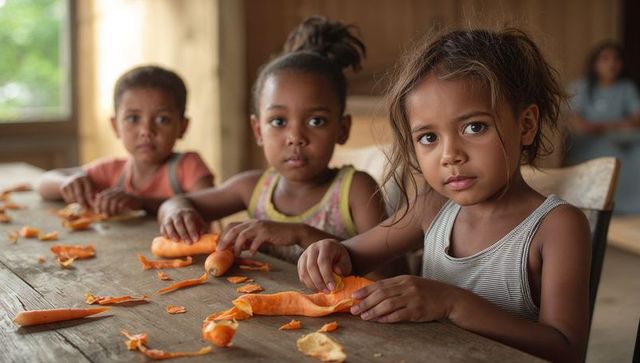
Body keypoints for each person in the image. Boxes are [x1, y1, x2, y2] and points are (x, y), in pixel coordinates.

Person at [297, 29, 592, 362]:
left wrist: (453, 304)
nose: (449, 155)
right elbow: (351, 257)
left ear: (526, 125)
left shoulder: (556, 227)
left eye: (474, 127)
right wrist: (328, 251)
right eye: (428, 138)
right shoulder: (432, 205)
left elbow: (567, 349)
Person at [158, 16, 394, 269]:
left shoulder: (356, 191)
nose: (296, 137)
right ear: (258, 130)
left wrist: (302, 234)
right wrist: (177, 212)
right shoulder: (253, 188)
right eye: (279, 122)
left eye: (316, 121)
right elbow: (176, 202)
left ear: (342, 129)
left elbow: (389, 274)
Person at [38, 65, 214, 215]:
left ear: (182, 127)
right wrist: (67, 183)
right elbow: (45, 182)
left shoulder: (188, 166)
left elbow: (211, 205)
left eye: (163, 119)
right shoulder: (111, 170)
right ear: (115, 126)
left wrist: (142, 203)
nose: (146, 131)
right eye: (133, 119)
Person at [566, 41, 640, 214]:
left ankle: (629, 208)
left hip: (620, 143)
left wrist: (601, 126)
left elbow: (636, 120)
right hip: (587, 145)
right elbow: (579, 126)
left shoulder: (626, 88)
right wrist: (617, 124)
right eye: (605, 59)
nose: (611, 64)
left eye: (616, 59)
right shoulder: (580, 87)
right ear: (594, 64)